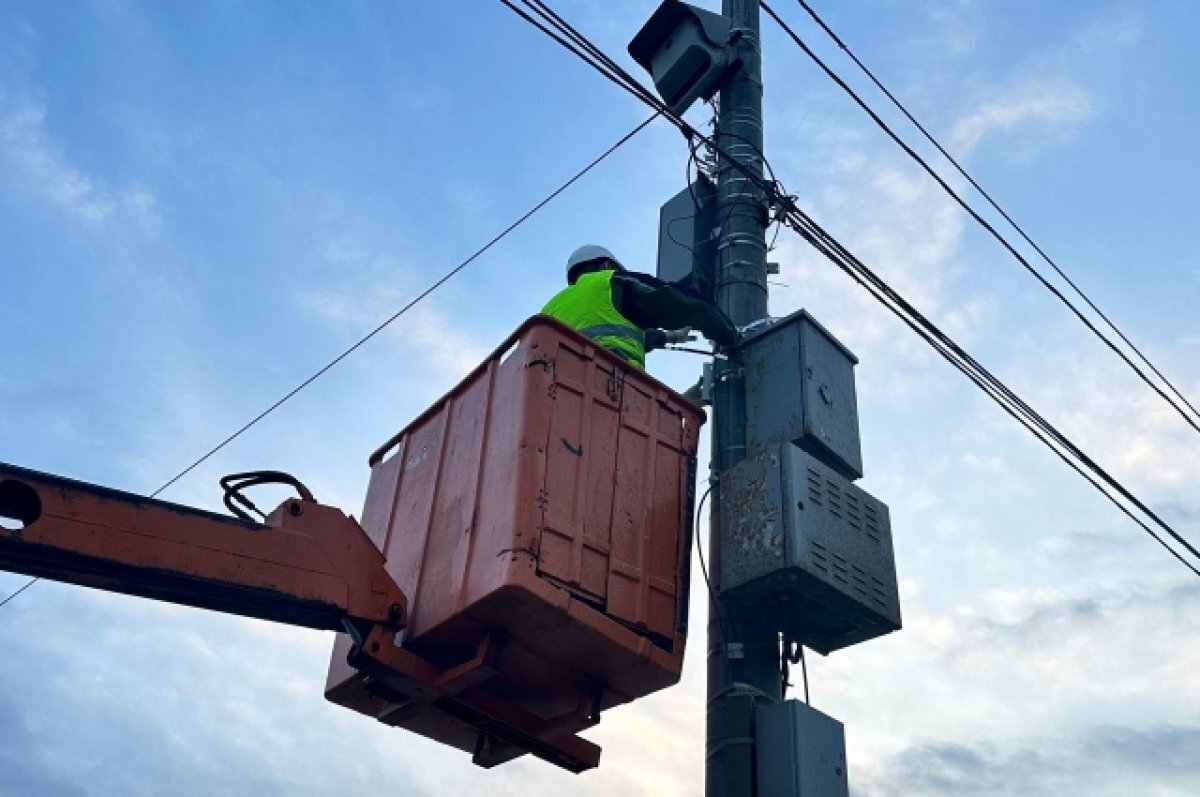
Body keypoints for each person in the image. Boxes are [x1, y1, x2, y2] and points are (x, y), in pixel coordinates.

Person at [541, 245, 738, 369]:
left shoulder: (551, 307)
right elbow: (680, 302)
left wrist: (671, 337)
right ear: (606, 265)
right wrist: (729, 336)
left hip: (561, 394)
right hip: (612, 383)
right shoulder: (611, 282)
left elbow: (608, 335)